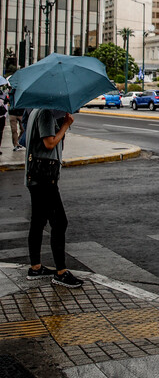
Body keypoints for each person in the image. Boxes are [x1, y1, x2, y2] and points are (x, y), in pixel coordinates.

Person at [25, 108, 84, 288]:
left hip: (36, 175)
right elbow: (49, 143)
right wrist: (65, 126)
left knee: (38, 221)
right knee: (60, 222)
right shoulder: (45, 113)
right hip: (44, 178)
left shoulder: (35, 111)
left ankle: (35, 267)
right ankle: (61, 272)